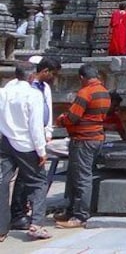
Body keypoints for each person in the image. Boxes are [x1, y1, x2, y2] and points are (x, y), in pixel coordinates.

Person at [54, 63, 110, 229]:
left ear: (82, 78)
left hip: (83, 140)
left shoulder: (85, 92)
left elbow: (72, 117)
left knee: (82, 178)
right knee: (75, 176)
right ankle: (71, 210)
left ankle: (81, 216)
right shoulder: (105, 92)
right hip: (96, 137)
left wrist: (62, 119)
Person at [9, 55, 61, 231]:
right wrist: (40, 149)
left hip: (35, 136)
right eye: (52, 73)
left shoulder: (44, 88)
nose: (53, 78)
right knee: (30, 179)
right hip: (23, 138)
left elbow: (48, 109)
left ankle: (23, 212)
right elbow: (31, 121)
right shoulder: (21, 89)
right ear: (43, 71)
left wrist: (48, 131)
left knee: (26, 178)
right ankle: (21, 214)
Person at [0, 64, 51, 241]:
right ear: (32, 77)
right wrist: (41, 150)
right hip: (27, 144)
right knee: (38, 181)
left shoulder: (4, 92)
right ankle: (36, 224)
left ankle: (1, 228)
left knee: (3, 182)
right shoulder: (33, 94)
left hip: (6, 141)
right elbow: (35, 126)